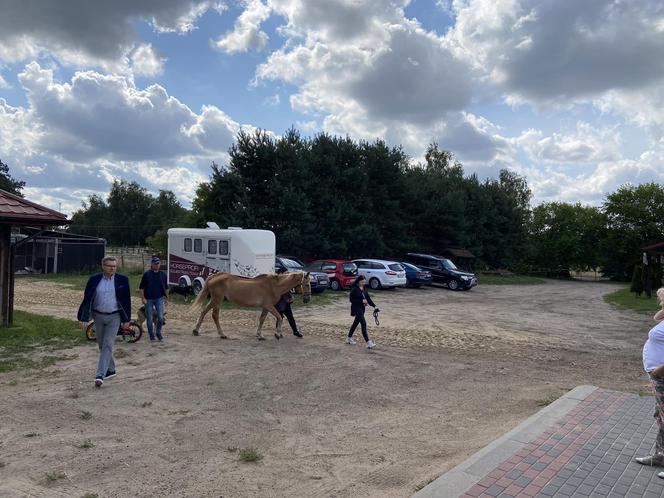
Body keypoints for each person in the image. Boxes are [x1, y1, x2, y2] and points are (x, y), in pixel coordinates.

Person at [77, 256, 132, 388]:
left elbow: (126, 301)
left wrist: (126, 320)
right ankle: (111, 369)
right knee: (102, 345)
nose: (112, 268)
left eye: (114, 266)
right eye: (109, 266)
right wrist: (83, 318)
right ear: (103, 266)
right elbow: (87, 298)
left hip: (114, 317)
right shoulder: (94, 279)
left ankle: (100, 375)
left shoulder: (123, 280)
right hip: (98, 316)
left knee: (108, 344)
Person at [636, 287, 664, 473]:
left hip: (661, 377)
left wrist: (657, 373)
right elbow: (657, 317)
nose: (660, 303)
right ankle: (660, 456)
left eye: (662, 299)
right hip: (659, 379)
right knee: (660, 417)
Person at [139, 256, 169, 342]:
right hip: (148, 299)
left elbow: (166, 288)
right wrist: (143, 298)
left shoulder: (163, 275)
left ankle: (158, 333)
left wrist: (167, 299)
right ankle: (151, 335)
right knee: (149, 318)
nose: (157, 265)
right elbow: (141, 288)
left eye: (158, 263)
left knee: (160, 317)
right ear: (151, 264)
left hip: (159, 299)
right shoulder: (147, 274)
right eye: (155, 263)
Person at [346, 275, 378, 349]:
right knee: (363, 323)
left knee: (355, 323)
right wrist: (361, 301)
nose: (363, 283)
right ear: (358, 281)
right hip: (356, 308)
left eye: (364, 282)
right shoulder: (354, 289)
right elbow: (351, 300)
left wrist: (375, 306)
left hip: (362, 308)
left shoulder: (364, 288)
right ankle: (368, 342)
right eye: (362, 282)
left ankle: (348, 338)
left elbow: (368, 298)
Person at [275, 268, 303, 338]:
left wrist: (290, 297)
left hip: (286, 302)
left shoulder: (287, 281)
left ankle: (295, 331)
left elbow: (289, 290)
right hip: (278, 302)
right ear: (281, 273)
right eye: (286, 273)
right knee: (279, 317)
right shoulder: (276, 281)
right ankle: (278, 332)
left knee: (290, 317)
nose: (288, 274)